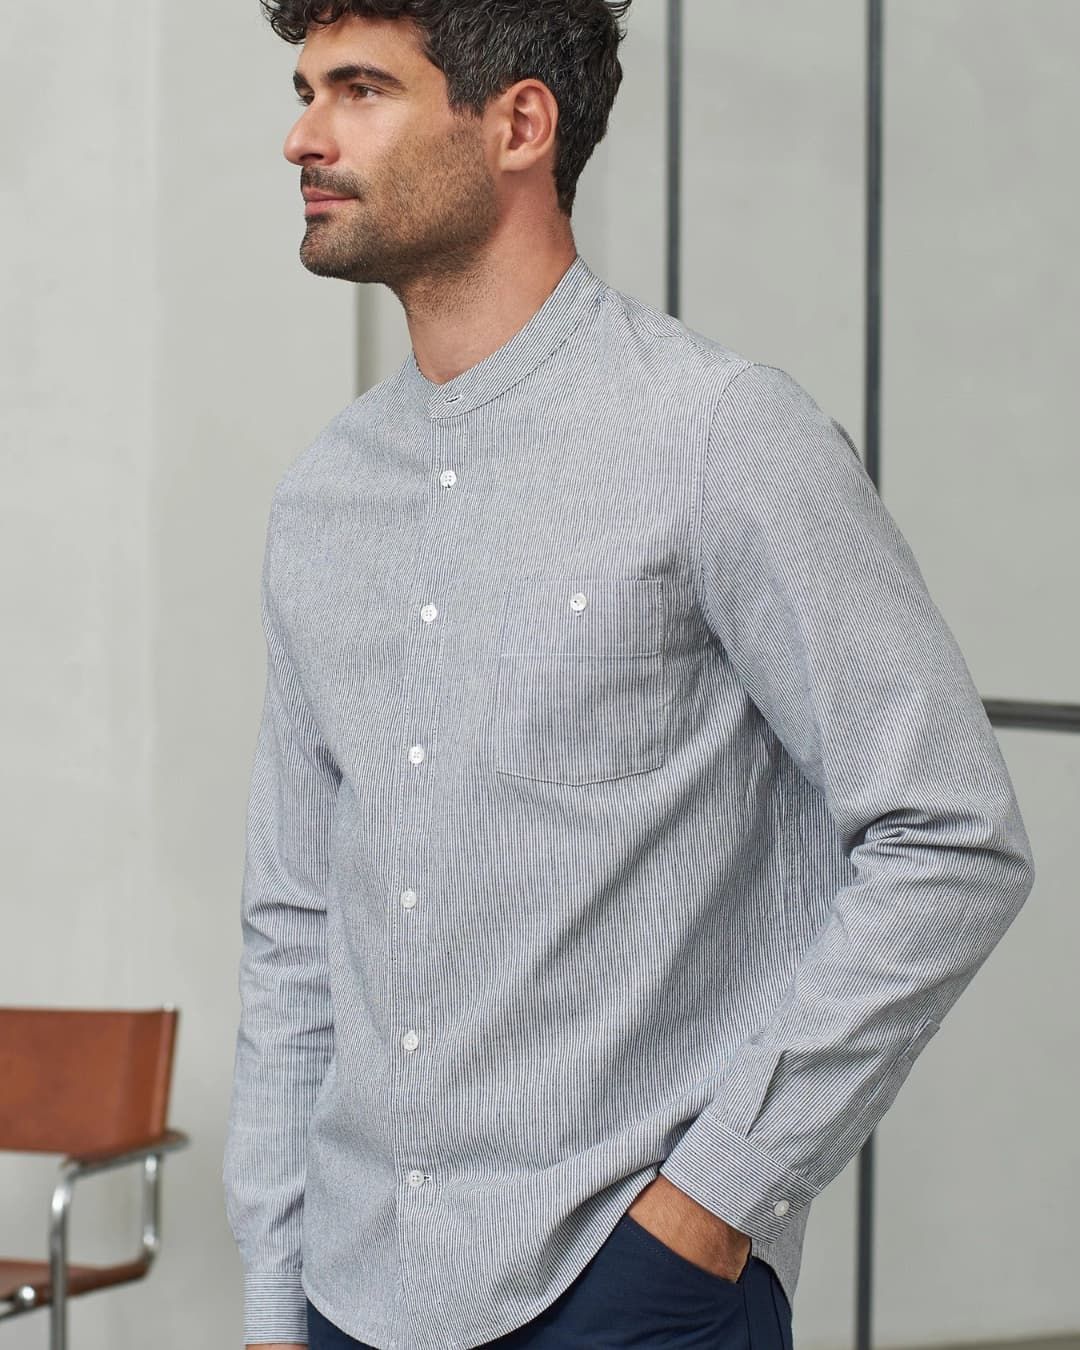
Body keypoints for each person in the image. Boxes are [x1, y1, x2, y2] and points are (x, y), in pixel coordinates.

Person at [222, 2, 1036, 1348]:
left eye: (360, 90)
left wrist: (718, 1197)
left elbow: (951, 835)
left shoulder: (720, 437)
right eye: (306, 92)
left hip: (626, 1287)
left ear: (518, 126)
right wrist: (272, 1301)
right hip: (349, 1294)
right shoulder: (322, 499)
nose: (303, 137)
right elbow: (296, 921)